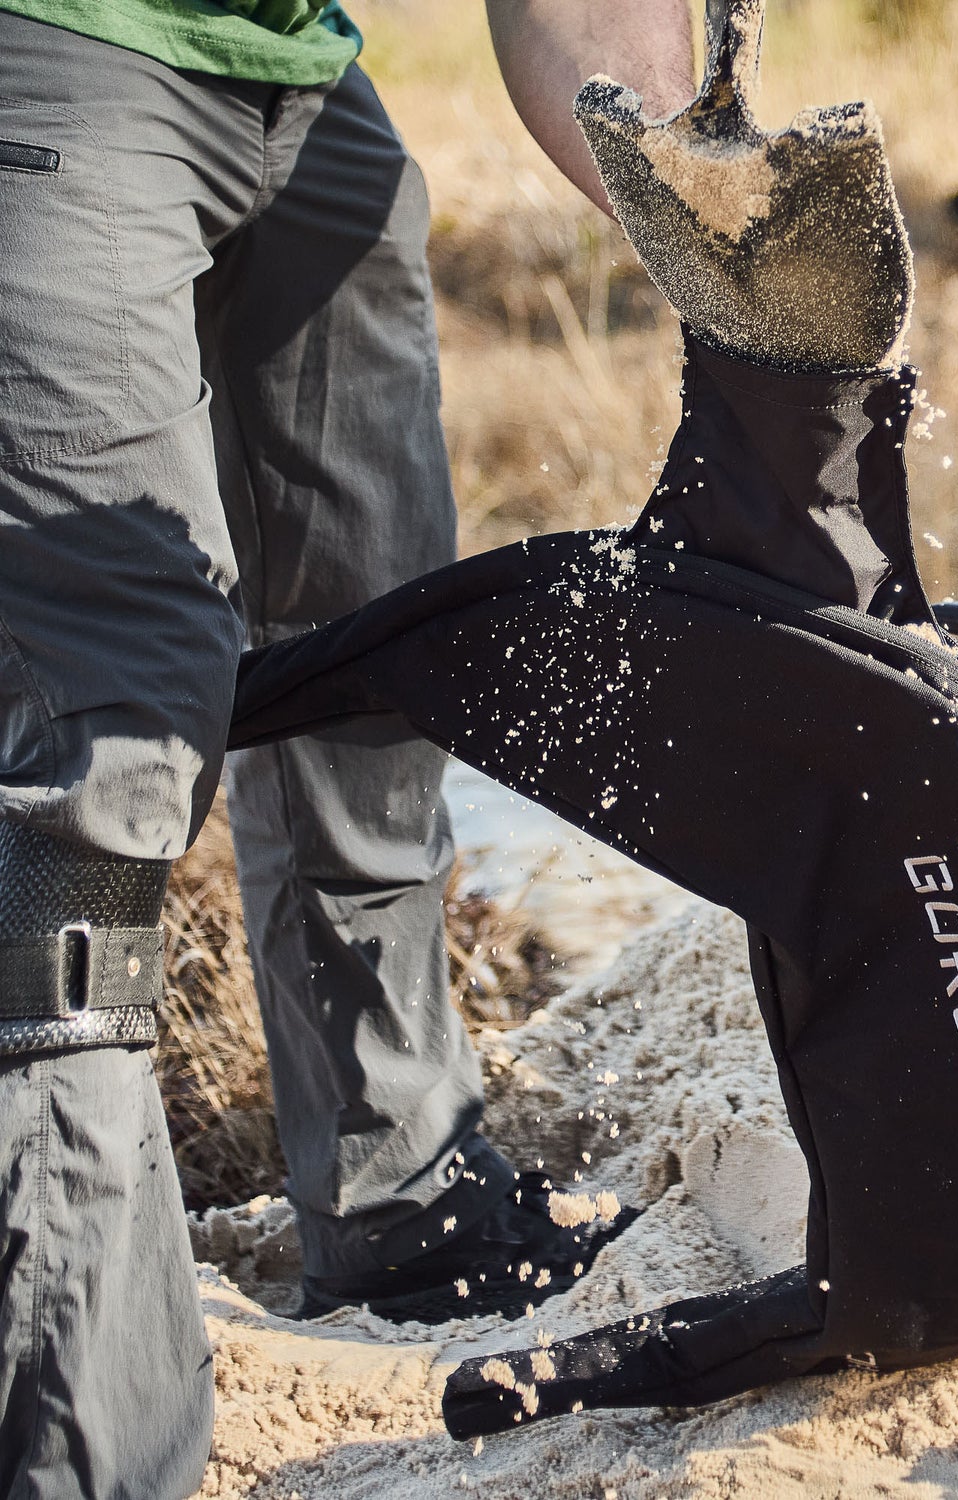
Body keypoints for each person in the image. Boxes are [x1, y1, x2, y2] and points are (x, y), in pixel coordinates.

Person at [0, 2, 694, 1495]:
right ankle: (81, 1442)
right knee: (105, 745)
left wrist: (711, 222)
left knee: (375, 656)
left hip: (297, 78)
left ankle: (401, 1204)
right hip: (52, 44)